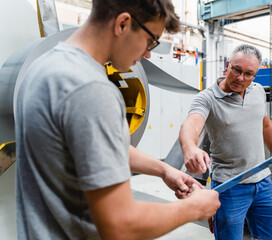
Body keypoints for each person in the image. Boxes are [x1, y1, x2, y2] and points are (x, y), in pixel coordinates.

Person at [14, 0, 220, 239]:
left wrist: (164, 170)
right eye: (151, 40)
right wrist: (194, 208)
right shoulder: (91, 88)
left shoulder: (43, 67)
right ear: (123, 23)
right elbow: (120, 224)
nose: (148, 53)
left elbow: (98, 147)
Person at [179, 44, 272, 240]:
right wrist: (190, 148)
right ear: (227, 65)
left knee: (271, 237)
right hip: (229, 185)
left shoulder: (258, 92)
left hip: (262, 180)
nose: (240, 78)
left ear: (255, 75)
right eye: (237, 70)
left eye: (248, 74)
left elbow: (266, 126)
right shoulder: (207, 98)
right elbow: (191, 125)